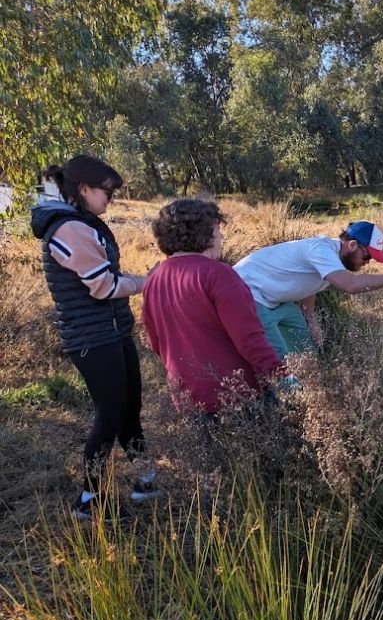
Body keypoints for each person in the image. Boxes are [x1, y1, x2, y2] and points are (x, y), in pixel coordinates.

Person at [30, 155, 154, 517]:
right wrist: (147, 282)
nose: (110, 200)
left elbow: (107, 274)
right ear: (84, 189)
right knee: (110, 414)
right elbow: (103, 286)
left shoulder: (83, 223)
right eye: (107, 193)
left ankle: (145, 480)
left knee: (130, 406)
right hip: (92, 338)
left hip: (112, 330)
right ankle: (88, 500)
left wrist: (139, 279)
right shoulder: (69, 229)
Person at [142, 199, 286, 415]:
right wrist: (283, 379)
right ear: (205, 233)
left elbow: (157, 344)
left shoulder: (154, 281)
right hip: (237, 395)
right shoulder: (218, 274)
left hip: (188, 398)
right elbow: (249, 339)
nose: (221, 237)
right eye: (217, 230)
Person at [233, 222, 383, 358]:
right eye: (367, 256)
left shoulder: (333, 258)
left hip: (273, 300)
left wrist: (312, 320)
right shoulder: (321, 249)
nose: (366, 263)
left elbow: (310, 283)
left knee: (304, 347)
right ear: (352, 245)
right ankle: (284, 398)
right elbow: (350, 285)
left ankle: (305, 383)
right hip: (247, 293)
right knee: (276, 357)